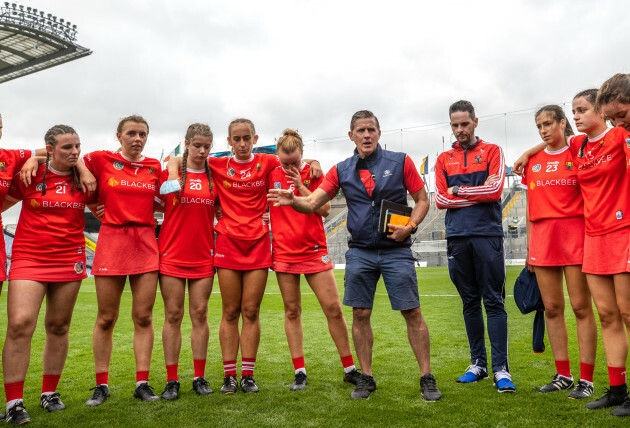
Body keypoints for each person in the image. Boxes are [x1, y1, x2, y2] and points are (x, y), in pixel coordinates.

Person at [268, 110, 441, 401]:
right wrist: (293, 199)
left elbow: (423, 199)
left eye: (371, 129)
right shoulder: (341, 169)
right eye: (360, 131)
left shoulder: (400, 161)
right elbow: (313, 204)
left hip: (396, 250)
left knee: (412, 312)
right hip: (360, 251)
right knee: (360, 313)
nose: (366, 135)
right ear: (351, 136)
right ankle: (366, 377)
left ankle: (427, 376)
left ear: (379, 133)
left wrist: (410, 226)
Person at [164, 118, 321, 394]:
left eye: (246, 138)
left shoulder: (266, 161)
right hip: (227, 242)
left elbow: (292, 158)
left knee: (251, 311)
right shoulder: (217, 164)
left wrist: (315, 161)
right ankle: (229, 376)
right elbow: (179, 157)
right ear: (228, 142)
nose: (242, 143)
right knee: (230, 311)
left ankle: (247, 374)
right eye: (236, 139)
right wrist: (174, 171)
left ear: (255, 138)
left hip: (258, 243)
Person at [514, 87, 630, 417]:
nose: (576, 116)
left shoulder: (620, 136)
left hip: (614, 232)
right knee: (605, 313)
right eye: (574, 111)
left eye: (581, 110)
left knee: (620, 312)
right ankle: (612, 388)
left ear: (601, 112)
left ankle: (600, 383)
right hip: (592, 236)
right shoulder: (577, 145)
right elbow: (555, 142)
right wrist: (527, 151)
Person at [1, 125, 96, 424]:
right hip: (29, 257)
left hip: (69, 258)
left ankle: (49, 393)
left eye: (78, 147)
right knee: (19, 324)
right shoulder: (29, 175)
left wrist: (81, 165)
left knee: (58, 326)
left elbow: (108, 206)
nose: (75, 152)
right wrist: (35, 160)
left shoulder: (86, 179)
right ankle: (14, 402)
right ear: (50, 149)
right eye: (67, 148)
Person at [267, 129, 359, 391]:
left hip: (314, 249)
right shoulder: (269, 174)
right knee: (292, 311)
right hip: (284, 251)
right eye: (285, 162)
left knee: (333, 308)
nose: (290, 166)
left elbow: (325, 209)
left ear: (303, 155)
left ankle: (349, 368)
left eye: (295, 161)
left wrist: (300, 184)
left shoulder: (314, 173)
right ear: (277, 157)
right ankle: (299, 371)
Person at [82, 115, 162, 406]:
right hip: (112, 242)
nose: (137, 138)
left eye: (142, 134)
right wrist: (94, 205)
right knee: (106, 317)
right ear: (119, 136)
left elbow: (167, 195)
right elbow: (75, 163)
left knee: (143, 316)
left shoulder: (153, 166)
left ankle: (142, 382)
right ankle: (101, 385)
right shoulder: (102, 160)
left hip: (144, 243)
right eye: (131, 133)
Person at [434, 100, 514, 393]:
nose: (459, 130)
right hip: (456, 236)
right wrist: (473, 192)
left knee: (493, 301)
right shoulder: (444, 158)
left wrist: (458, 191)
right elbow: (440, 200)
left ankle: (501, 369)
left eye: (464, 124)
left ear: (475, 121)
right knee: (469, 302)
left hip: (487, 235)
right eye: (454, 125)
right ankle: (477, 364)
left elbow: (494, 192)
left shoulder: (492, 151)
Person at [522, 105, 597, 398]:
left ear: (562, 123)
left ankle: (587, 380)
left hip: (576, 239)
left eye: (548, 124)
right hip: (543, 242)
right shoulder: (532, 162)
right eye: (539, 125)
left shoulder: (578, 154)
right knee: (552, 308)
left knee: (580, 307)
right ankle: (563, 375)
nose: (543, 130)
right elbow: (529, 209)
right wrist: (530, 248)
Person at [156, 124, 216, 399]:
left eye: (207, 146)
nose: (202, 151)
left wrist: (311, 161)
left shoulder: (214, 173)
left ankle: (199, 377)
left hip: (203, 256)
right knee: (173, 315)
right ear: (187, 144)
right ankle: (171, 380)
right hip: (171, 255)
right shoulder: (168, 172)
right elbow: (152, 201)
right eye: (197, 145)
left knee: (200, 315)